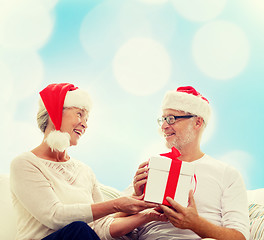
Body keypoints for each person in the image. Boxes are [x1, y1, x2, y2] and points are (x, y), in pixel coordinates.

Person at [10, 83, 167, 240]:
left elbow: (100, 227)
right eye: (79, 114)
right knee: (79, 229)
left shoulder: (84, 170)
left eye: (87, 118)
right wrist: (116, 204)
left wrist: (148, 215)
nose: (85, 124)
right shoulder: (25, 163)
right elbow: (55, 217)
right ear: (55, 112)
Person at [131, 86, 250, 240]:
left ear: (198, 123)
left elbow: (240, 237)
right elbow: (113, 221)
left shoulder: (227, 174)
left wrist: (195, 223)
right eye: (163, 119)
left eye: (171, 119)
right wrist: (136, 196)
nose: (164, 126)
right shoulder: (151, 167)